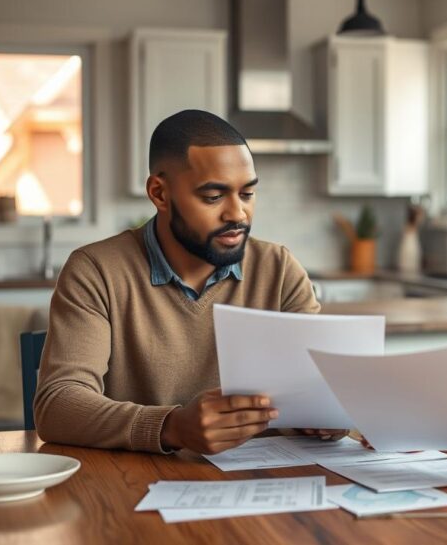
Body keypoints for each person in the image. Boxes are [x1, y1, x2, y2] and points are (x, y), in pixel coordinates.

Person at [34, 109, 343, 455]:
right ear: (160, 194)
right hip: (130, 486)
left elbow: (315, 390)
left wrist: (330, 415)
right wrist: (173, 427)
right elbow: (57, 405)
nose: (237, 214)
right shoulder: (96, 271)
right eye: (213, 197)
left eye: (247, 194)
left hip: (262, 483)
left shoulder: (280, 269)